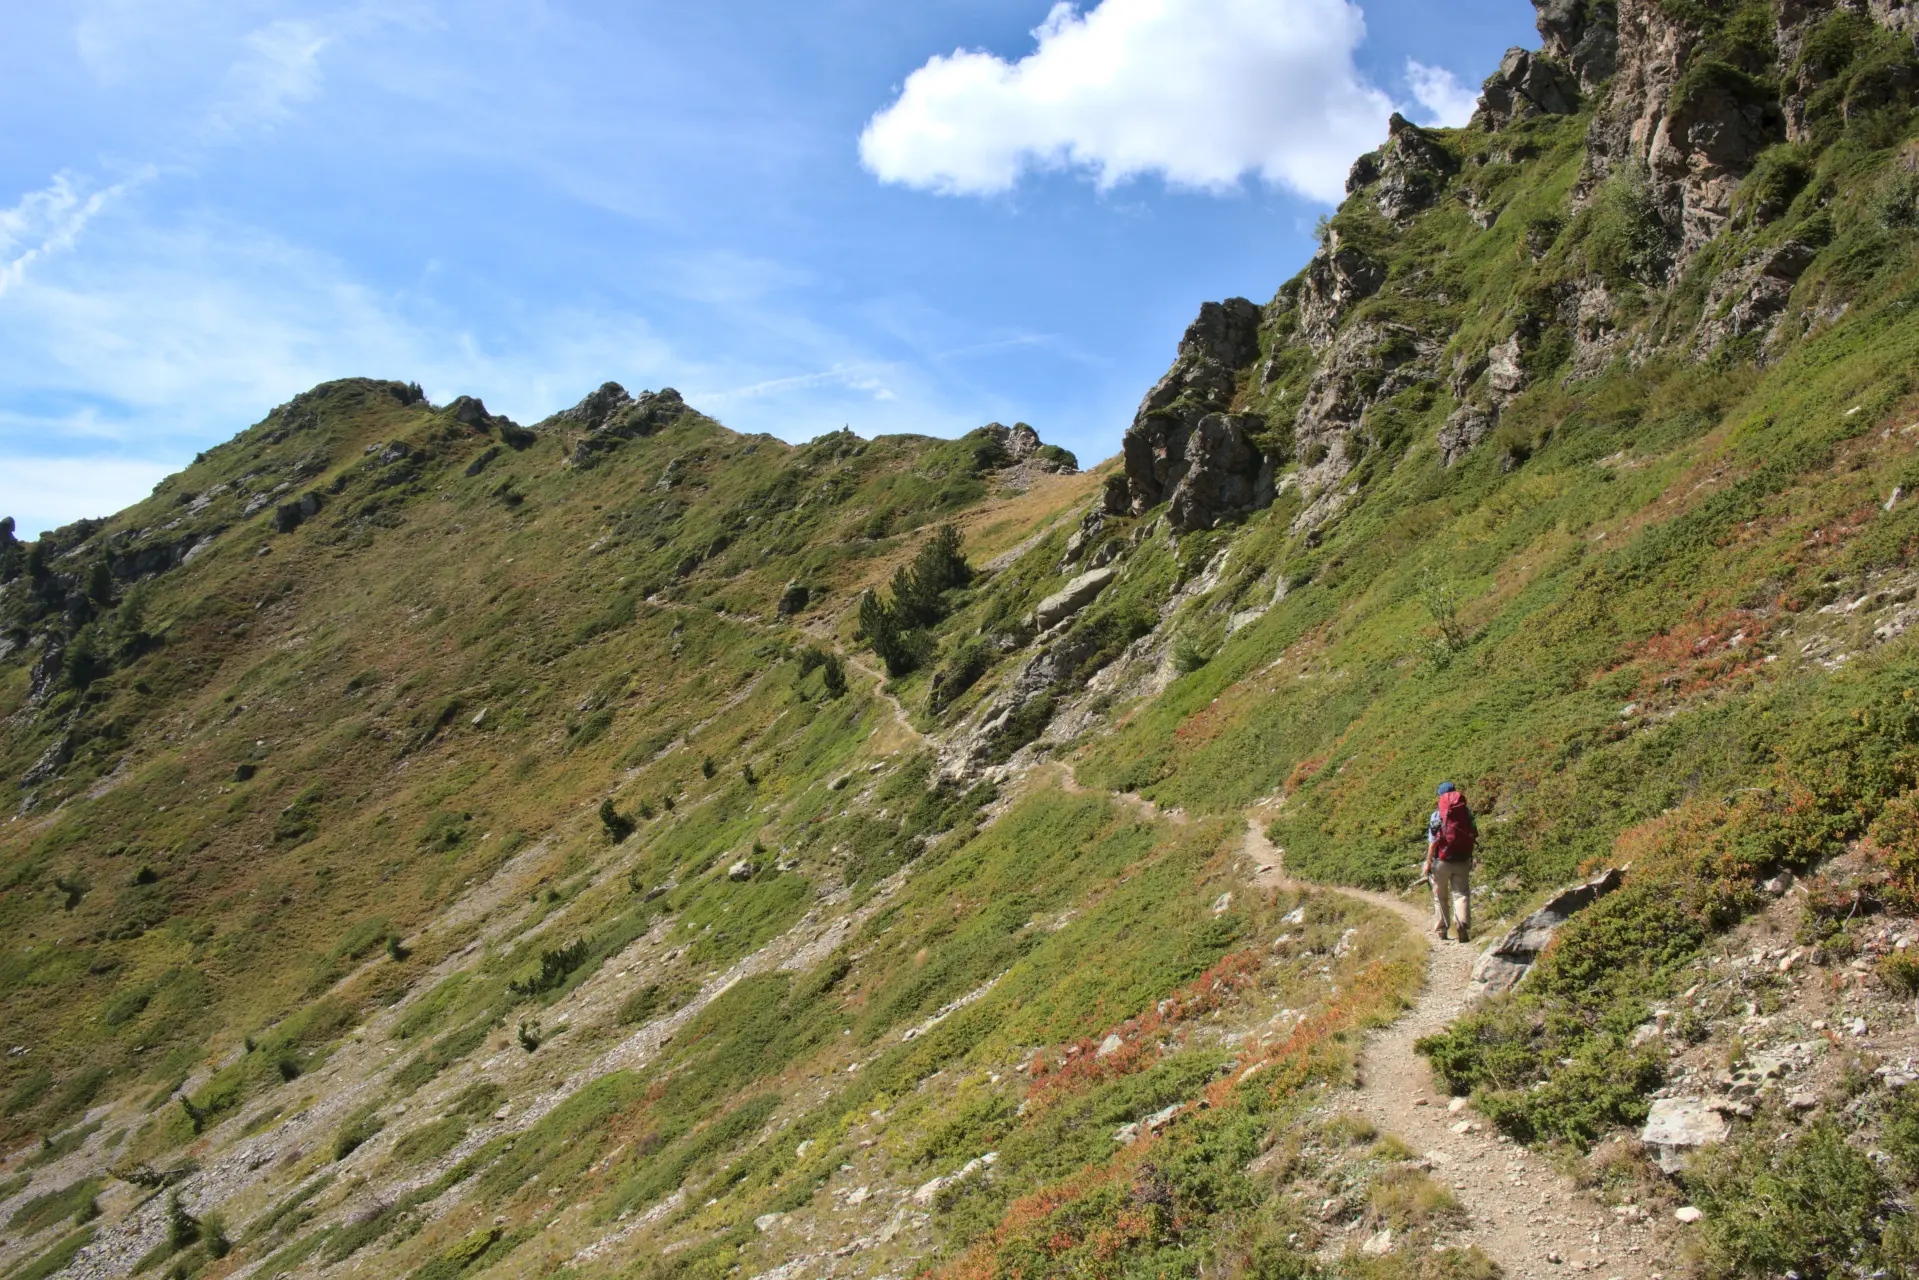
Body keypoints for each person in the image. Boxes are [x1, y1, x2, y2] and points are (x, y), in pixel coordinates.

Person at [1423, 782, 1477, 943]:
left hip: (1441, 861)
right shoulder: (1466, 813)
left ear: (1440, 796)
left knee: (1440, 896)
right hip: (1462, 859)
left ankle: (1442, 929)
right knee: (1461, 894)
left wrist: (1428, 862)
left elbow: (1433, 842)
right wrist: (1470, 855)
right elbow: (1473, 834)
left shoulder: (1437, 815)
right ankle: (1461, 923)